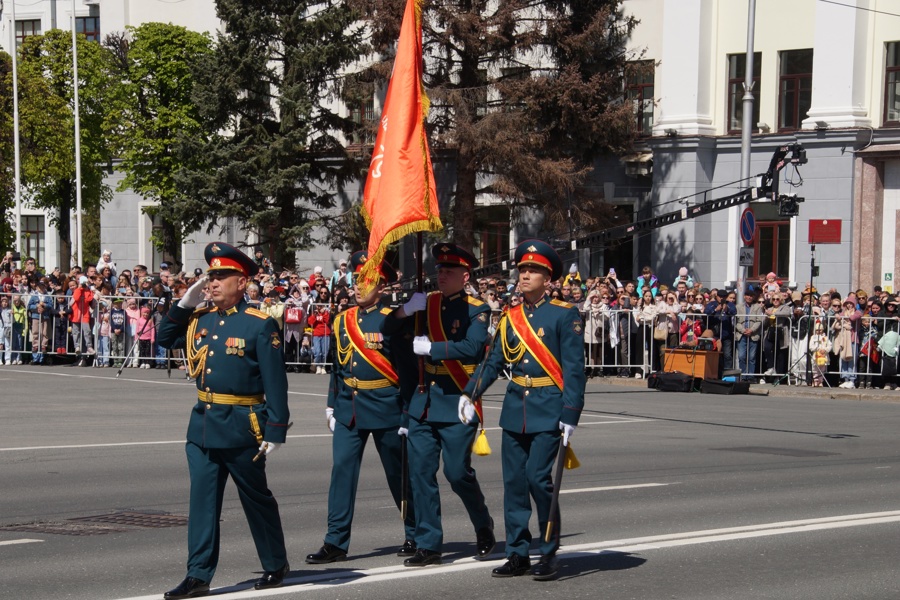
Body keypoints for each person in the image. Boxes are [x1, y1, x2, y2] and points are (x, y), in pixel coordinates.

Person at [157, 242, 291, 599]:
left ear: (242, 281)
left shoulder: (259, 324)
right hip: (202, 424)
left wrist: (276, 428)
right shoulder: (200, 317)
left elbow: (276, 381)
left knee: (255, 498)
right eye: (210, 276)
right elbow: (162, 339)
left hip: (242, 423)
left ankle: (275, 562)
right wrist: (183, 304)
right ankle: (198, 574)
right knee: (202, 503)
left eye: (221, 276)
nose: (212, 283)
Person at [460, 239, 585, 581]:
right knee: (514, 483)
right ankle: (518, 553)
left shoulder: (564, 314)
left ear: (549, 278)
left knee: (537, 480)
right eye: (523, 269)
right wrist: (470, 393)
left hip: (549, 409)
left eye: (534, 270)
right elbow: (494, 361)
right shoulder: (510, 317)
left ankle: (548, 551)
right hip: (516, 409)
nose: (526, 274)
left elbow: (574, 369)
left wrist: (571, 414)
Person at [382, 243, 495, 567]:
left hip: (456, 399)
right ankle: (429, 544)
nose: (441, 275)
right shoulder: (426, 303)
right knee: (420, 474)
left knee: (457, 473)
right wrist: (404, 310)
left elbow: (473, 346)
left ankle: (483, 523)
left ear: (465, 275)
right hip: (424, 401)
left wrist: (433, 347)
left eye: (449, 271)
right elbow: (387, 329)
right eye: (439, 270)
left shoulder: (477, 308)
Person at [305, 251, 417, 566]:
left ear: (381, 285)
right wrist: (330, 405)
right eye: (356, 279)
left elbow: (407, 372)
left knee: (399, 474)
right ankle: (335, 541)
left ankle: (416, 532)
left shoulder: (394, 321)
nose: (358, 286)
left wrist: (407, 413)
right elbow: (339, 368)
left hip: (386, 407)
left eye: (366, 280)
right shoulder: (342, 320)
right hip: (349, 407)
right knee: (342, 472)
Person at [734, 287, 764, 381]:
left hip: (753, 334)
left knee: (752, 357)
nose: (749, 297)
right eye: (747, 295)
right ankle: (743, 375)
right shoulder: (738, 307)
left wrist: (751, 330)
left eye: (751, 296)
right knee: (742, 356)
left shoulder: (757, 307)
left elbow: (759, 320)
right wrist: (743, 330)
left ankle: (750, 376)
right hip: (741, 334)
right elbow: (736, 321)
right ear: (744, 296)